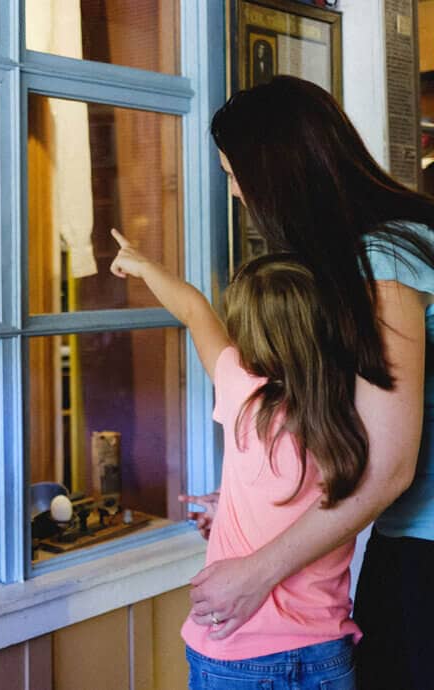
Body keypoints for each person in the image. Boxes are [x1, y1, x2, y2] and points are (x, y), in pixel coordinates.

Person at [185, 75, 434, 690]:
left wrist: (256, 572)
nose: (238, 193)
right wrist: (268, 499)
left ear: (278, 176)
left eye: (235, 173)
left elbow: (390, 467)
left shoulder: (382, 266)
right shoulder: (399, 241)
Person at [111, 234, 361, 687]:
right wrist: (231, 505)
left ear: (249, 333)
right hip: (327, 652)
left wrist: (143, 265)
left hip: (238, 651)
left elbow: (192, 309)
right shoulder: (348, 410)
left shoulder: (242, 389)